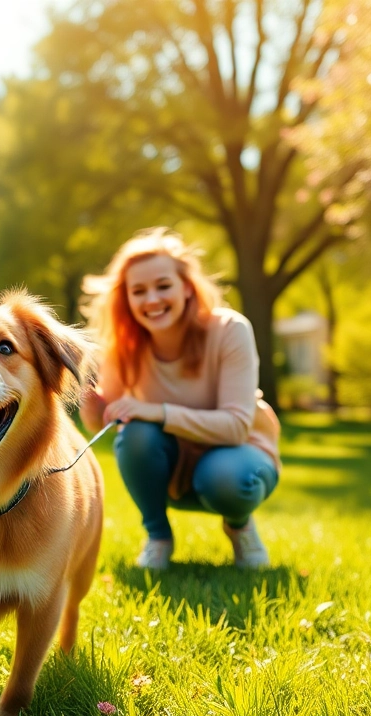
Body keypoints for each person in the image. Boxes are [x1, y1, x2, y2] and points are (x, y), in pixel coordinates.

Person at [79, 228, 282, 570]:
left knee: (225, 479)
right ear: (126, 299)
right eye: (138, 291)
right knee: (136, 435)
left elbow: (235, 427)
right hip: (172, 466)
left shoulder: (230, 330)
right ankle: (158, 536)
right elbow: (110, 423)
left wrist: (155, 411)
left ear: (187, 287)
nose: (152, 300)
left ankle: (239, 525)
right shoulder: (123, 345)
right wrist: (84, 392)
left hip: (239, 459)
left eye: (163, 285)